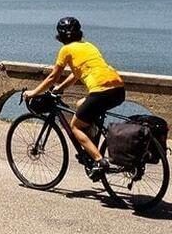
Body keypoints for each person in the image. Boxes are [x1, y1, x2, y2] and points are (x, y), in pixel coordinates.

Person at [23, 17, 125, 180]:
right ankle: (92, 147)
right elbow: (76, 74)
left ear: (60, 36)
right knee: (80, 104)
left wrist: (33, 92)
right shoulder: (88, 46)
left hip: (100, 92)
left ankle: (99, 161)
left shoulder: (66, 50)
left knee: (75, 127)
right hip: (119, 90)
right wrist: (59, 89)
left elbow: (52, 77)